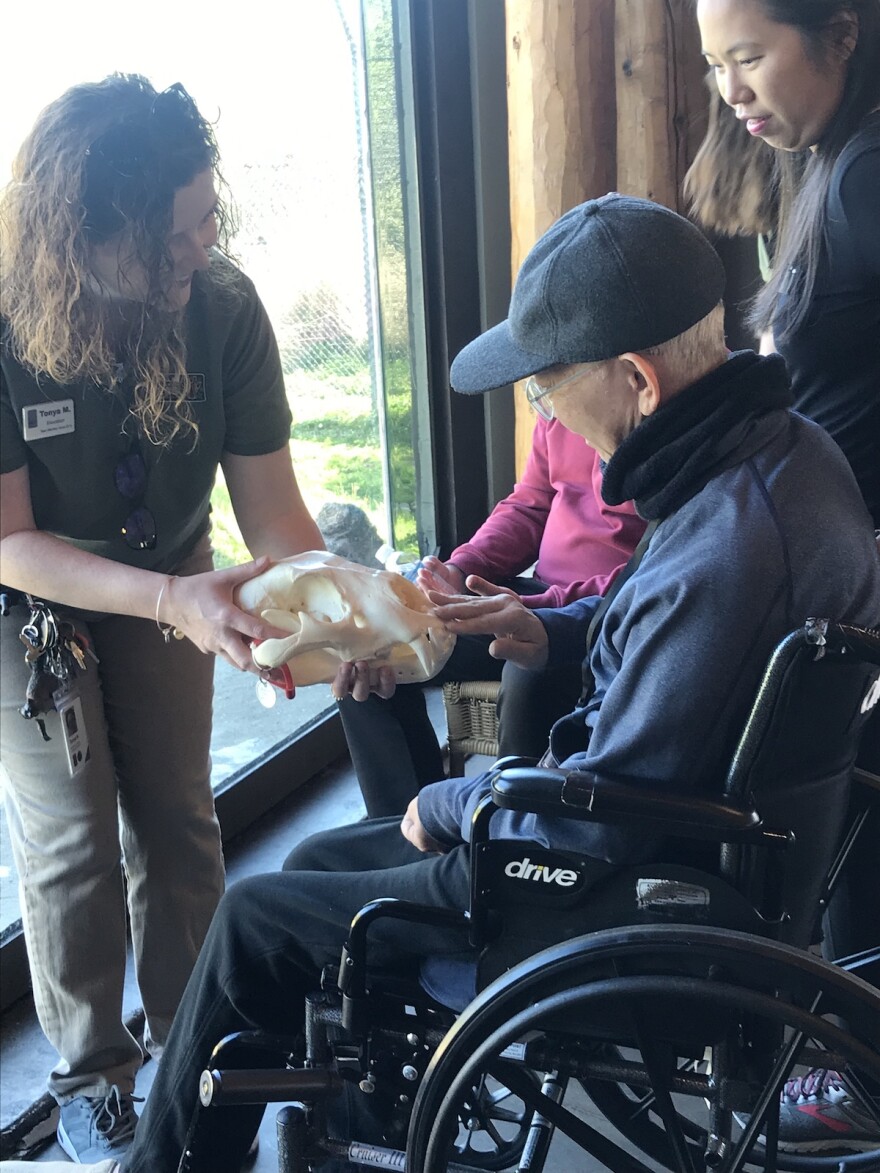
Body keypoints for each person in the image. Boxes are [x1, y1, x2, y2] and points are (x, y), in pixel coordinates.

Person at [5, 192, 878, 1173]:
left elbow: (602, 814)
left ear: (633, 378)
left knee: (256, 919)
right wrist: (545, 628)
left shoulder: (724, 549)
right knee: (317, 873)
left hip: (605, 894)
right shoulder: (779, 460)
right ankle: (290, 1112)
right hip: (700, 862)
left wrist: (455, 800)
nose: (541, 410)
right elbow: (665, 639)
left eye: (546, 389)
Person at [0, 74, 323, 1164]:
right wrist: (170, 600)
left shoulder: (221, 308)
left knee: (179, 820)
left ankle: (194, 1044)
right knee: (71, 841)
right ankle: (94, 1077)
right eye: (171, 235)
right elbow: (8, 540)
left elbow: (275, 516)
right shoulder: (4, 322)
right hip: (27, 601)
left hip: (172, 569)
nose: (199, 248)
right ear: (83, 234)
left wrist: (332, 621)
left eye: (206, 218)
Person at [691, 0, 880, 1150]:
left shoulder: (864, 178)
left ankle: (859, 1080)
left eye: (748, 56)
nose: (731, 90)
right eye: (716, 66)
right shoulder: (822, 164)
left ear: (841, 32)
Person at [338, 420, 646, 817]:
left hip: (613, 618)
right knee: (372, 647)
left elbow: (657, 568)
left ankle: (506, 841)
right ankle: (406, 829)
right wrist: (460, 571)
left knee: (526, 662)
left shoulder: (674, 406)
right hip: (534, 594)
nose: (543, 396)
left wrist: (539, 608)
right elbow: (531, 504)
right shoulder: (560, 401)